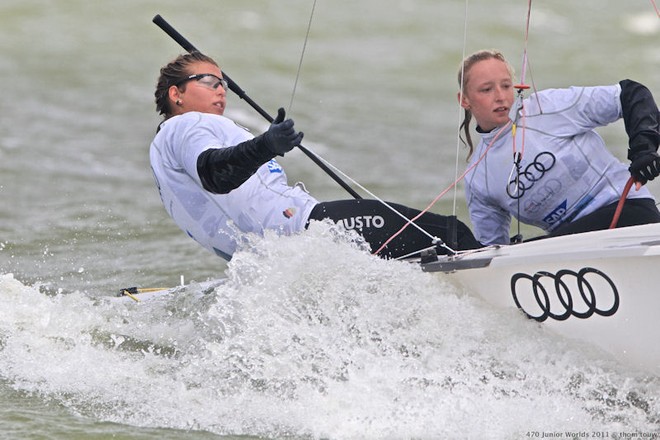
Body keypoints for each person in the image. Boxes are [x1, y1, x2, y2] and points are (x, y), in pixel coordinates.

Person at [150, 51, 480, 261]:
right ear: (176, 94)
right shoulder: (189, 125)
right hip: (304, 229)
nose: (221, 89)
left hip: (278, 257)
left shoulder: (165, 150)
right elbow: (214, 174)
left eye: (223, 82)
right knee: (450, 233)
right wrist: (265, 145)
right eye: (208, 81)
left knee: (427, 243)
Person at [457, 49, 660, 246]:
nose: (500, 96)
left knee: (538, 250)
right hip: (567, 247)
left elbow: (631, 94)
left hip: (627, 212)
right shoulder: (478, 178)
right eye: (487, 89)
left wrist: (644, 149)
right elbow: (491, 251)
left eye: (506, 86)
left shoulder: (549, 107)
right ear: (464, 100)